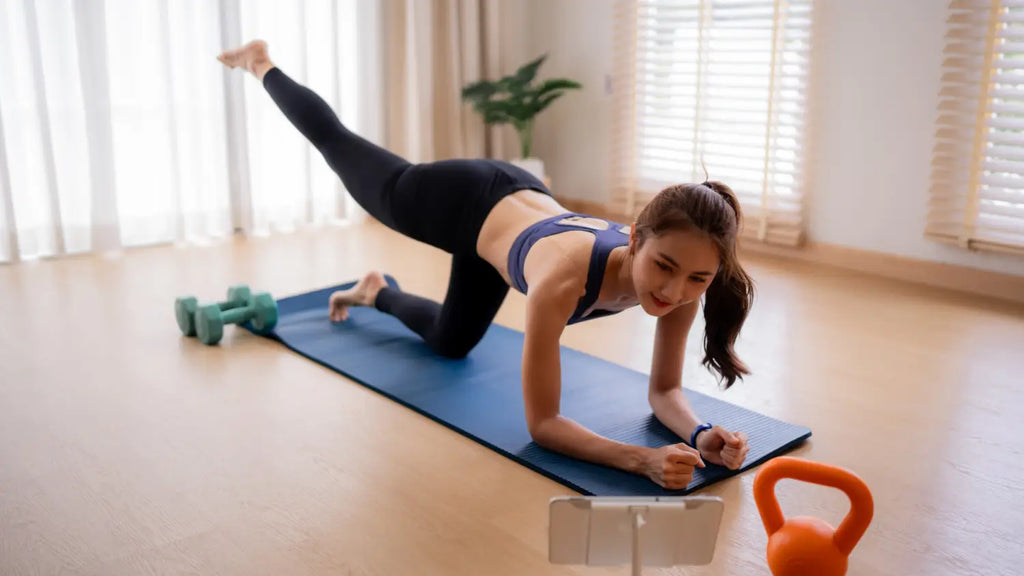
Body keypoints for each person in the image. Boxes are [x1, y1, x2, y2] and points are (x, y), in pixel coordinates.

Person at [218, 40, 752, 490]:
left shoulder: (685, 284)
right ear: (635, 239)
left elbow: (663, 393)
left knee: (451, 343)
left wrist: (703, 434)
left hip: (515, 223)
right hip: (457, 199)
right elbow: (543, 424)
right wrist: (641, 460)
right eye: (663, 266)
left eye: (697, 278)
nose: (675, 289)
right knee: (337, 146)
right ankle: (261, 62)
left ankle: (375, 290)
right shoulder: (562, 282)